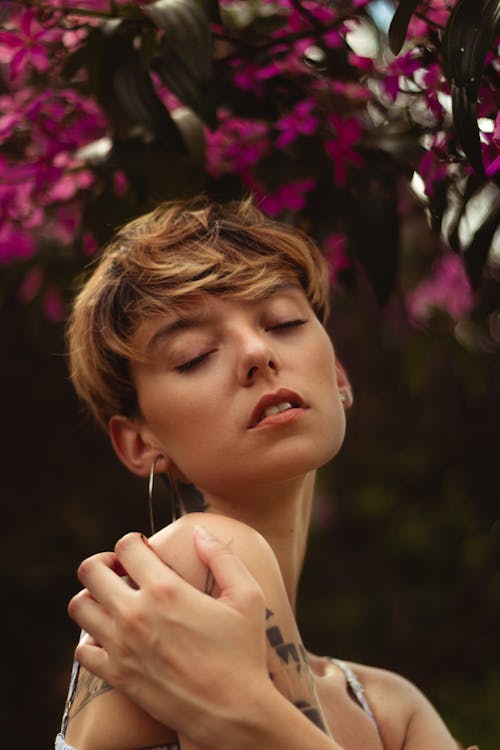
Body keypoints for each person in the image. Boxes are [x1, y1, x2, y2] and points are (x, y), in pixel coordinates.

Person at [57, 196, 472, 750]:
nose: (257, 352)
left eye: (283, 322)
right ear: (140, 441)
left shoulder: (385, 702)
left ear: (339, 377)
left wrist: (243, 711)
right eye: (193, 355)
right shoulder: (194, 564)